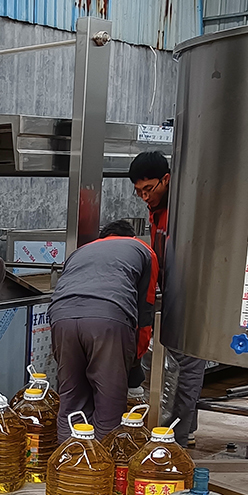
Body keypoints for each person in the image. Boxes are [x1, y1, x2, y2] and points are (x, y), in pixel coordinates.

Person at [49, 220, 158, 442]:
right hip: (107, 317)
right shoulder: (143, 250)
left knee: (71, 399)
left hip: (61, 317)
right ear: (132, 237)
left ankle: (68, 466)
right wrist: (135, 359)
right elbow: (146, 307)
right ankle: (100, 471)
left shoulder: (80, 251)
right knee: (109, 403)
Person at [129, 150, 206, 448]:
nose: (145, 197)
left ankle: (180, 440)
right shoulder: (157, 208)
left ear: (167, 179)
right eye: (139, 192)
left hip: (194, 297)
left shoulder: (184, 208)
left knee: (187, 365)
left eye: (149, 189)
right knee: (170, 366)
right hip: (172, 294)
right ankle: (183, 428)